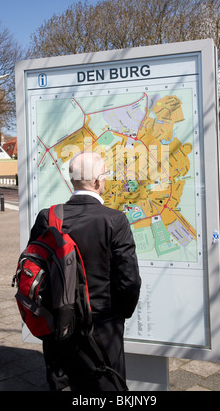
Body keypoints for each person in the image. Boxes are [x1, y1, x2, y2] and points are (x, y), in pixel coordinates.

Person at [28, 151, 141, 391]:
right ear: (99, 181)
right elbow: (129, 281)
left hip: (57, 323)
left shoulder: (47, 218)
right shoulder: (114, 220)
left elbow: (34, 269)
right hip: (101, 326)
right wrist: (118, 316)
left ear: (72, 180)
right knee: (106, 387)